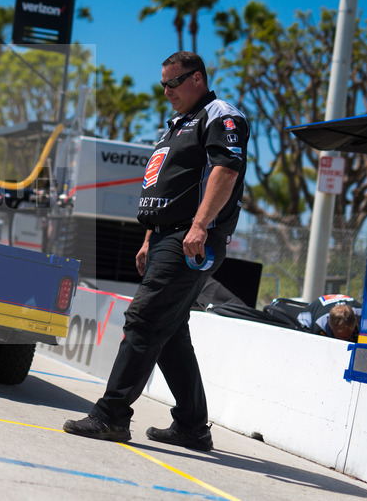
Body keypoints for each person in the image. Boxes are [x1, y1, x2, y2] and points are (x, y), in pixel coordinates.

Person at [63, 51, 249, 452]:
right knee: (170, 333)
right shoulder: (174, 126)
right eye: (162, 84)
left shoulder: (221, 116)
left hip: (192, 237)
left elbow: (227, 170)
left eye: (173, 83)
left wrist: (199, 226)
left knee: (144, 320)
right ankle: (193, 427)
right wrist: (149, 237)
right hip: (167, 236)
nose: (166, 92)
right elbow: (164, 186)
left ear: (196, 78)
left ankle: (111, 415)